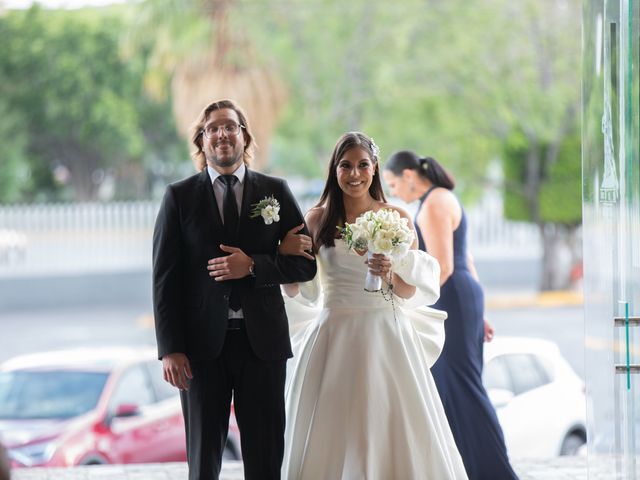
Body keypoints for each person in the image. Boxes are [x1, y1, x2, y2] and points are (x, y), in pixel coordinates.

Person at [277, 132, 468, 479]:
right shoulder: (317, 218)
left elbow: (409, 292)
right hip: (333, 336)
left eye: (362, 165)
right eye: (345, 166)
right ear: (334, 170)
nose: (354, 174)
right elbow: (299, 289)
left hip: (386, 334)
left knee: (391, 426)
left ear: (374, 168)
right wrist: (284, 254)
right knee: (334, 430)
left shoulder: (395, 216)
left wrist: (391, 274)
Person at [152, 99, 317, 480]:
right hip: (199, 350)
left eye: (230, 126)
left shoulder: (275, 191)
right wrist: (170, 349)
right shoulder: (179, 197)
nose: (222, 134)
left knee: (265, 456)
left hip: (263, 346)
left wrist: (255, 264)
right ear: (202, 140)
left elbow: (305, 264)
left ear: (244, 136)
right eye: (213, 128)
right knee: (203, 459)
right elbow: (165, 278)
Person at [383, 151, 519, 480]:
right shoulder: (443, 199)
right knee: (455, 387)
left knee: (462, 388)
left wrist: (410, 302)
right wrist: (478, 312)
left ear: (409, 175)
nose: (395, 193)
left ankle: (494, 472)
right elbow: (465, 258)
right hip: (463, 296)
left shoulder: (433, 203)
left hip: (450, 297)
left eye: (393, 184)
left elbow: (442, 267)